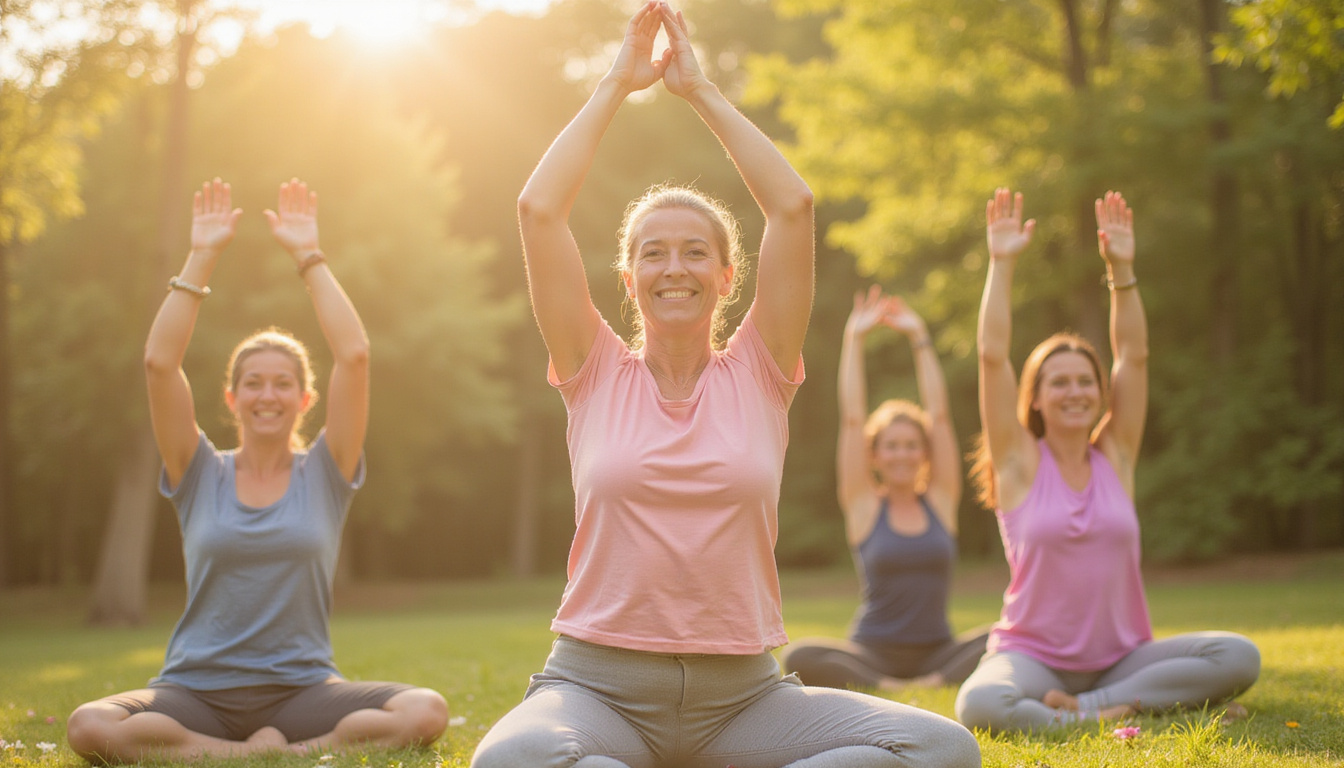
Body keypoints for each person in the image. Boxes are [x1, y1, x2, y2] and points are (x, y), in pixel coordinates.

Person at [470, 4, 979, 767]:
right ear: (628, 276)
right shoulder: (593, 370)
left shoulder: (762, 370)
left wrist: (699, 90)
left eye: (694, 251)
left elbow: (793, 205)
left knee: (942, 749)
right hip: (598, 688)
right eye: (652, 253)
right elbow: (539, 210)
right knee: (509, 761)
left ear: (726, 274)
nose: (674, 267)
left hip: (745, 699)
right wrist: (617, 81)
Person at [66, 178, 448, 763]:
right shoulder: (198, 472)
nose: (267, 394)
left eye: (283, 383)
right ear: (232, 397)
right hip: (195, 690)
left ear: (304, 399)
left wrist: (309, 257)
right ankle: (245, 752)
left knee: (426, 710)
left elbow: (356, 355)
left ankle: (268, 749)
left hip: (303, 692)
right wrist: (203, 253)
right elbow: (158, 362)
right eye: (253, 383)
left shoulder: (326, 472)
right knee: (90, 725)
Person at [954, 188, 1260, 731]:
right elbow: (991, 355)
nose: (1074, 392)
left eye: (1085, 381)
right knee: (978, 703)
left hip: (1123, 657)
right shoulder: (1019, 463)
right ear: (1037, 398)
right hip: (1031, 658)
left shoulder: (1116, 455)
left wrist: (1121, 270)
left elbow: (1134, 357)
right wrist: (1001, 264)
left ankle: (1095, 709)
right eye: (1059, 383)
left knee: (1238, 656)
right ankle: (1138, 706)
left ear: (1100, 392)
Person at [782, 287, 987, 691]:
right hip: (872, 652)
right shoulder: (863, 507)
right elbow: (854, 420)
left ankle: (932, 680)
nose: (902, 455)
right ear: (873, 455)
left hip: (939, 649)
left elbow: (941, 418)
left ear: (925, 454)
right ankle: (892, 684)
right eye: (891, 446)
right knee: (799, 655)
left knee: (1006, 637)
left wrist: (919, 338)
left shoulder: (941, 502)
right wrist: (854, 340)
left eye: (912, 445)